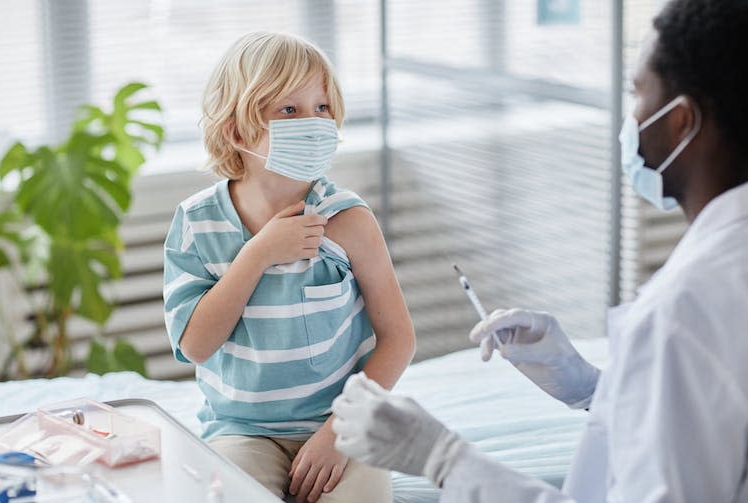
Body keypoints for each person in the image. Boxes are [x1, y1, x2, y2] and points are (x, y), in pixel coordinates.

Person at [331, 0, 748, 500]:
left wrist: (443, 458)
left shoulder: (685, 308)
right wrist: (589, 385)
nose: (631, 119)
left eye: (638, 94)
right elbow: (708, 419)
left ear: (681, 121)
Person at [163, 32, 415, 503]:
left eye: (322, 108)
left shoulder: (348, 221)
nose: (315, 123)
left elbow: (399, 337)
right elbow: (195, 345)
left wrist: (338, 432)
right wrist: (258, 254)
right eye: (289, 110)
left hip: (342, 425)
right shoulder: (196, 225)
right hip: (242, 430)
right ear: (238, 131)